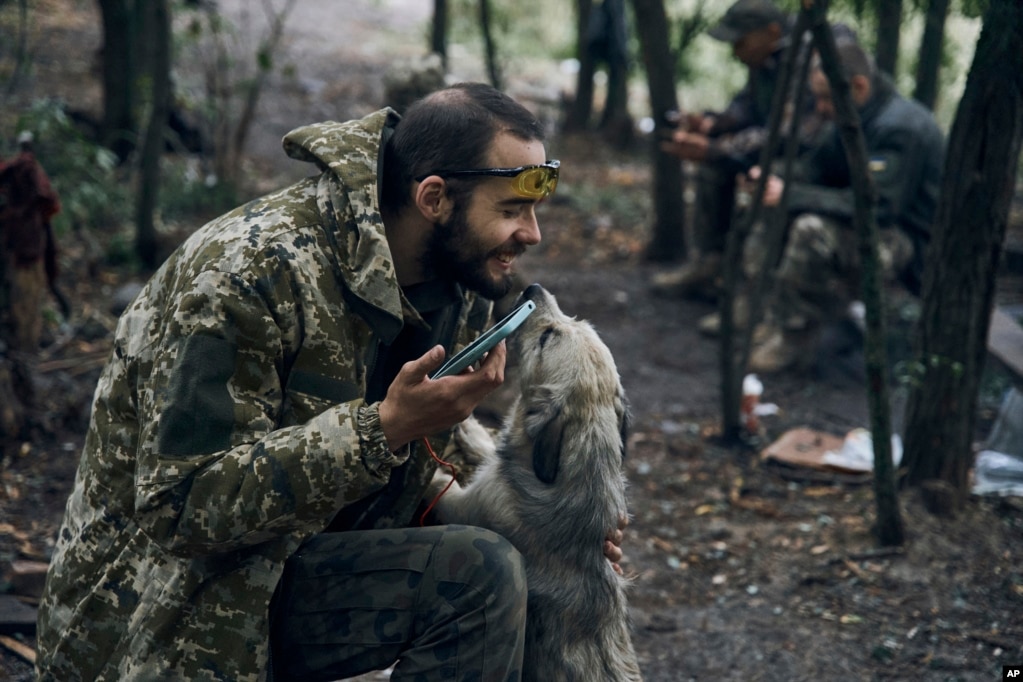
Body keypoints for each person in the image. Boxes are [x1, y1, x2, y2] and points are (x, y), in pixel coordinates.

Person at [36, 83, 624, 681]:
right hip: (163, 609)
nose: (533, 234)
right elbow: (180, 508)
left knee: (515, 568)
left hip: (299, 568)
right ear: (434, 198)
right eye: (510, 211)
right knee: (480, 573)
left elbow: (425, 465)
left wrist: (546, 533)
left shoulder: (458, 281)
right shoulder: (246, 271)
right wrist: (383, 429)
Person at [747, 40, 945, 373]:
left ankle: (795, 336)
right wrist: (770, 177)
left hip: (910, 245)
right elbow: (816, 168)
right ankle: (774, 314)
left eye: (825, 98)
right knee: (774, 202)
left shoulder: (901, 127)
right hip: (873, 228)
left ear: (859, 86)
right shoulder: (853, 116)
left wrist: (790, 194)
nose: (821, 108)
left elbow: (878, 207)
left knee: (810, 230)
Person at [651, 0, 822, 301]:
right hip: (770, 150)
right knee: (712, 170)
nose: (736, 51)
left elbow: (789, 132)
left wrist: (718, 148)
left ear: (771, 32)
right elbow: (745, 108)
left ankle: (753, 289)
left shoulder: (806, 58)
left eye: (741, 41)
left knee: (760, 181)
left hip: (808, 160)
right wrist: (711, 124)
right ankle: (709, 262)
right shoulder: (763, 61)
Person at [0, 130, 63, 352]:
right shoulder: (16, 175)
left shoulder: (25, 175)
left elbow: (45, 205)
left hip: (26, 253)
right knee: (21, 305)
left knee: (25, 307)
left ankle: (24, 352)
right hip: (20, 252)